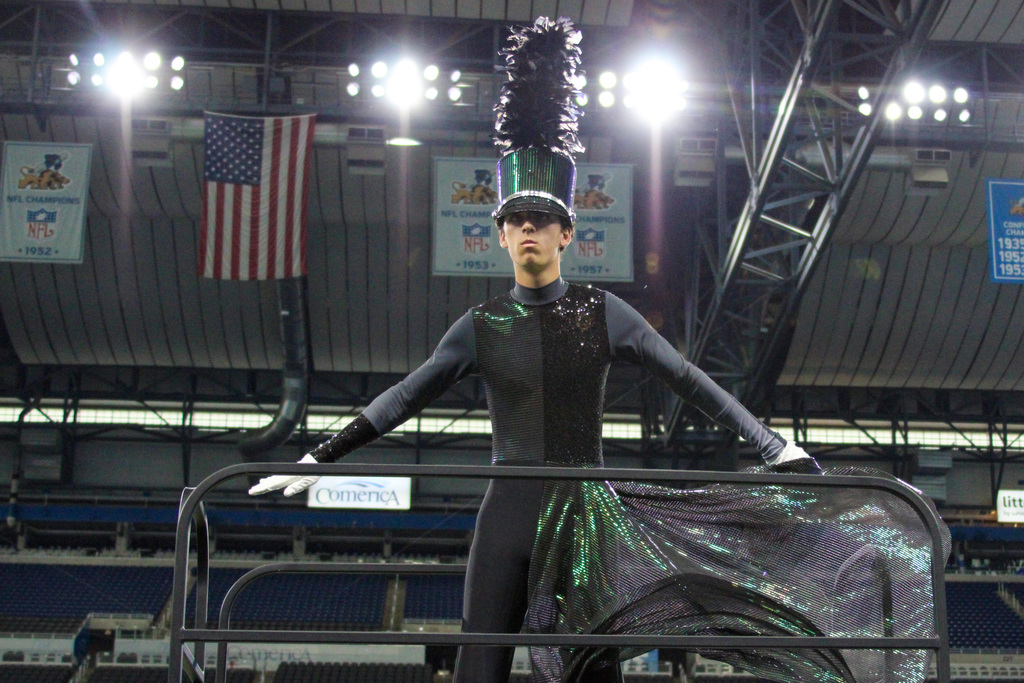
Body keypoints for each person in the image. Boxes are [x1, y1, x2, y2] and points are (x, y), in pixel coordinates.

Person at [251, 17, 947, 683]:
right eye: (515, 219)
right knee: (479, 661)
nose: (528, 229)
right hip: (507, 514)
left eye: (542, 219)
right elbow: (403, 397)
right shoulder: (480, 323)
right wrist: (320, 456)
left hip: (589, 517)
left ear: (567, 234)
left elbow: (689, 378)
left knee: (593, 667)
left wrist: (772, 445)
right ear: (498, 234)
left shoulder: (603, 313)